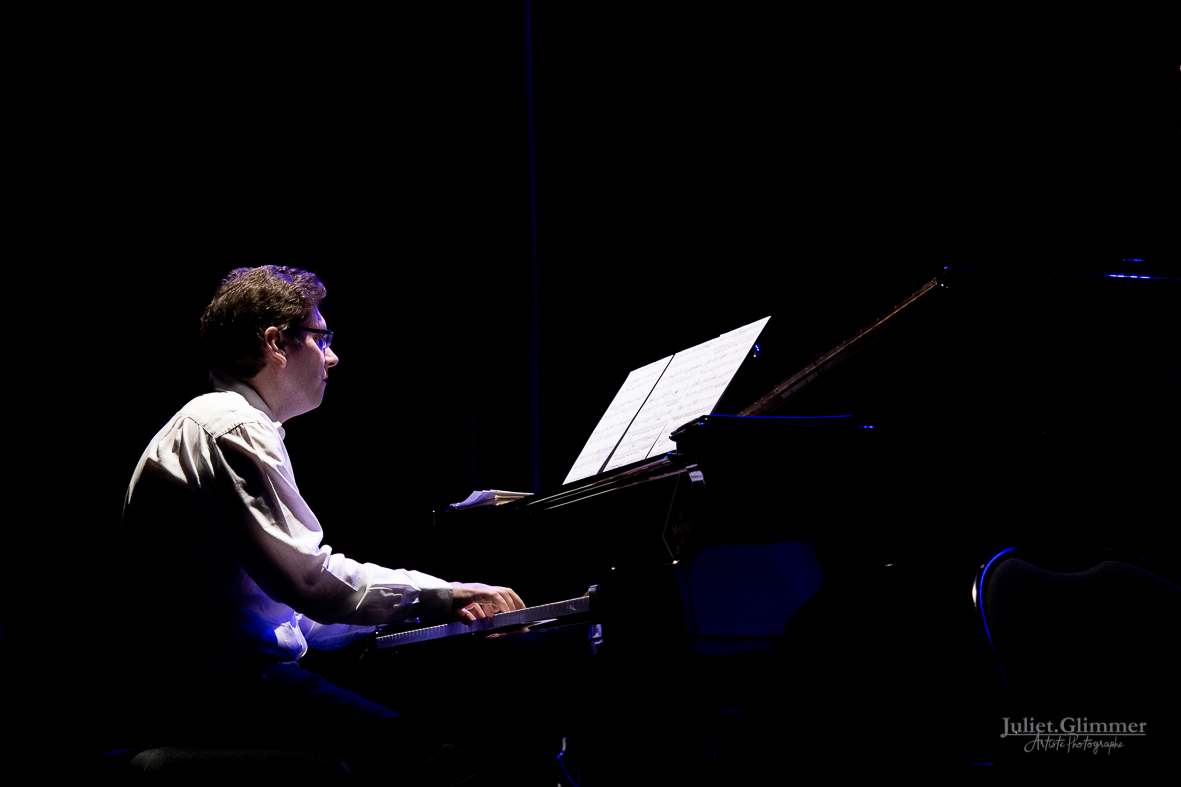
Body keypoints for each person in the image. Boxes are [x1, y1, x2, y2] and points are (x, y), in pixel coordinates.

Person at [118, 265, 522, 781]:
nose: (332, 355)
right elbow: (311, 583)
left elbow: (290, 612)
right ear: (275, 342)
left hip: (210, 685)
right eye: (321, 336)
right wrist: (444, 596)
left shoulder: (218, 422)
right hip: (223, 692)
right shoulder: (232, 427)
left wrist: (431, 606)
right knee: (440, 760)